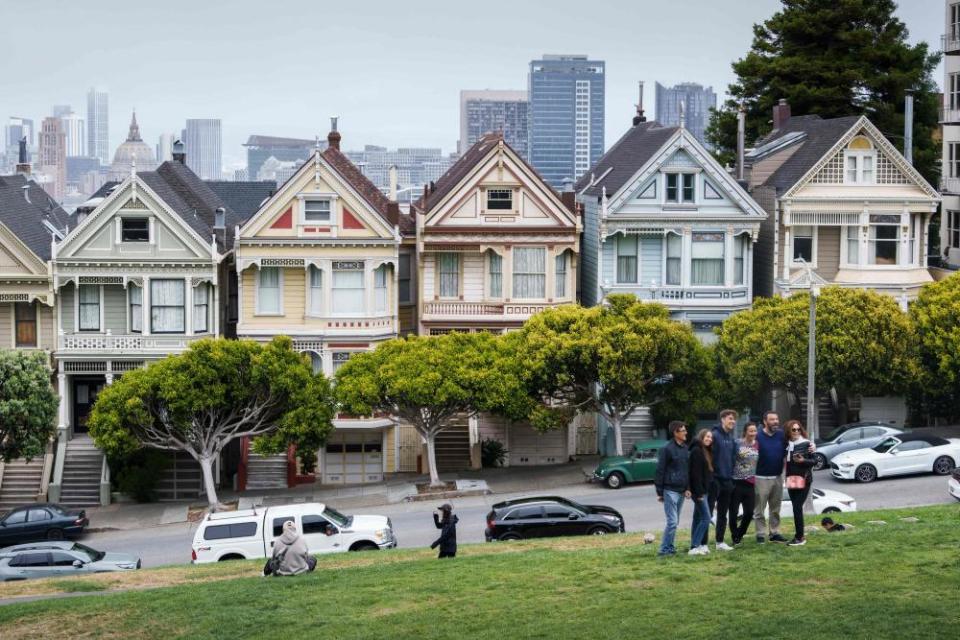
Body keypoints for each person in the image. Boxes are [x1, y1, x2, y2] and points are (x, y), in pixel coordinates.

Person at [654, 421, 691, 557]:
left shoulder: (685, 449)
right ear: (676, 432)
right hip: (669, 490)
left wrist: (688, 488)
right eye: (683, 430)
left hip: (681, 491)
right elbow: (660, 470)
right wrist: (659, 492)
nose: (686, 432)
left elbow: (687, 471)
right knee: (673, 522)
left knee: (675, 522)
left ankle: (670, 548)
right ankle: (663, 550)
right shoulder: (667, 449)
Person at [704, 409, 738, 551]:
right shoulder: (715, 435)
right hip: (715, 481)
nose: (733, 421)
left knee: (723, 514)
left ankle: (720, 542)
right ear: (723, 419)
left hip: (728, 481)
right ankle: (702, 544)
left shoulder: (730, 437)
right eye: (730, 418)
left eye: (734, 419)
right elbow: (707, 456)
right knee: (708, 513)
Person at [753, 410, 788, 543]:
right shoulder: (757, 435)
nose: (776, 422)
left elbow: (789, 449)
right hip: (760, 478)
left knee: (775, 509)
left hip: (777, 477)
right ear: (765, 421)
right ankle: (760, 534)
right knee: (759, 510)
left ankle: (774, 533)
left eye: (776, 419)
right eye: (772, 419)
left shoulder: (781, 435)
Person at [784, 420, 816, 546]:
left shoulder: (807, 443)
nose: (796, 432)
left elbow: (815, 461)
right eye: (793, 430)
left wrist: (803, 460)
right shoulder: (787, 444)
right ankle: (799, 535)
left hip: (804, 480)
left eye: (798, 429)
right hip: (791, 480)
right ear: (789, 432)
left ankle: (800, 538)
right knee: (796, 508)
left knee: (797, 507)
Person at [729, 422, 759, 545]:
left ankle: (739, 534)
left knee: (749, 513)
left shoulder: (757, 445)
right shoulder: (737, 443)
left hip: (750, 484)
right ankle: (734, 535)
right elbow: (729, 458)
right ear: (745, 431)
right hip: (736, 483)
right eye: (750, 431)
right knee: (733, 513)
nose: (753, 433)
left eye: (754, 431)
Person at [688, 428, 714, 556]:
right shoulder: (696, 451)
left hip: (704, 490)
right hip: (699, 492)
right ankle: (694, 546)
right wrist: (698, 493)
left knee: (697, 518)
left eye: (710, 437)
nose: (709, 439)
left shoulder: (705, 451)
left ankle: (695, 546)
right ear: (701, 436)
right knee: (706, 518)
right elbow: (695, 474)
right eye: (707, 436)